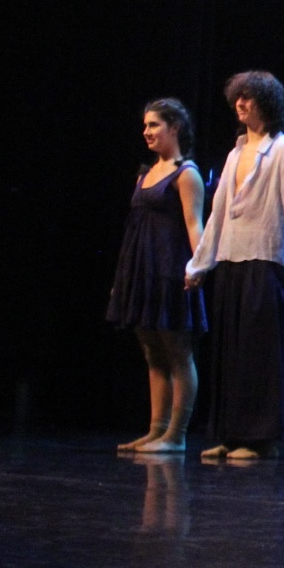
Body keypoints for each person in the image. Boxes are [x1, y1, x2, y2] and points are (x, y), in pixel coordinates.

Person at [187, 72, 284, 461]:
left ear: (267, 103)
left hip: (265, 260)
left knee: (259, 351)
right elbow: (217, 214)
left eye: (248, 97)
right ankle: (230, 433)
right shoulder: (235, 153)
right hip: (231, 259)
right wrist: (199, 264)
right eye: (238, 97)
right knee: (230, 350)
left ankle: (259, 438)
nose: (240, 104)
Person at [107, 98, 206, 453]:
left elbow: (194, 225)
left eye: (154, 125)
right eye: (145, 125)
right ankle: (156, 430)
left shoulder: (187, 173)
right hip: (141, 269)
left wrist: (198, 266)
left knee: (177, 351)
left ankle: (176, 435)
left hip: (169, 271)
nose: (146, 132)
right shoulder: (145, 173)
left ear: (174, 127)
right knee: (152, 351)